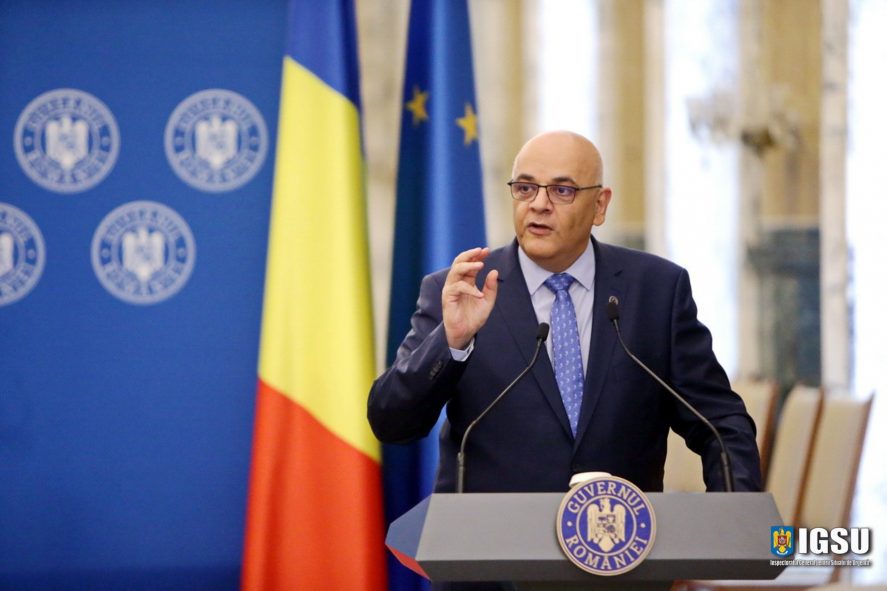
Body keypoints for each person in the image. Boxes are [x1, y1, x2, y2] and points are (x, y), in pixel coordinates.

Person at [368, 129, 761, 496]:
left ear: (599, 205)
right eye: (525, 188)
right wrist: (450, 342)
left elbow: (719, 424)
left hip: (621, 540)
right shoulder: (461, 289)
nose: (539, 204)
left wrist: (737, 520)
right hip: (492, 544)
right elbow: (392, 423)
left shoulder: (656, 290)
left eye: (562, 190)